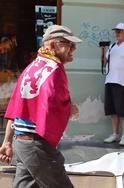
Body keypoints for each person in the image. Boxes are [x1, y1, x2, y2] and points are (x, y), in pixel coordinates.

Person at [0, 24, 81, 188]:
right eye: (67, 43)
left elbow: (16, 107)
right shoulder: (54, 69)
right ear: (51, 45)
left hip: (22, 143)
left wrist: (7, 142)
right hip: (37, 145)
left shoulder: (31, 67)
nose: (73, 48)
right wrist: (71, 109)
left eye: (73, 45)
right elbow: (56, 105)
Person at [101, 23, 124, 145]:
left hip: (122, 82)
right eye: (116, 32)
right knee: (112, 110)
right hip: (110, 80)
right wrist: (103, 51)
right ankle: (115, 134)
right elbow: (105, 62)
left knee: (122, 110)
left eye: (119, 31)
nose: (116, 34)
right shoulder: (112, 46)